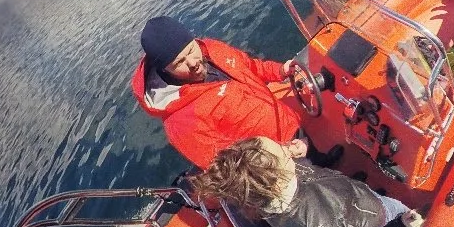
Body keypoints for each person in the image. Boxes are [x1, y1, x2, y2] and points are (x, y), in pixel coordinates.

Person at [130, 15, 341, 170]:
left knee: (314, 157)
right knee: (310, 189)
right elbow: (225, 165)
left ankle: (324, 164)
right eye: (180, 63)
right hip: (272, 165)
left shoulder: (213, 49)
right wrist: (284, 153)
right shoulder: (179, 122)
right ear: (164, 69)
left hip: (285, 123)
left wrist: (280, 70)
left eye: (191, 50)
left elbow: (250, 66)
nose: (193, 62)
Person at [190, 136, 424, 227]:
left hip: (357, 199)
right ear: (275, 181)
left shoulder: (278, 185)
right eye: (282, 151)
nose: (286, 148)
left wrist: (302, 151)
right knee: (407, 221)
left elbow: (307, 172)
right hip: (380, 223)